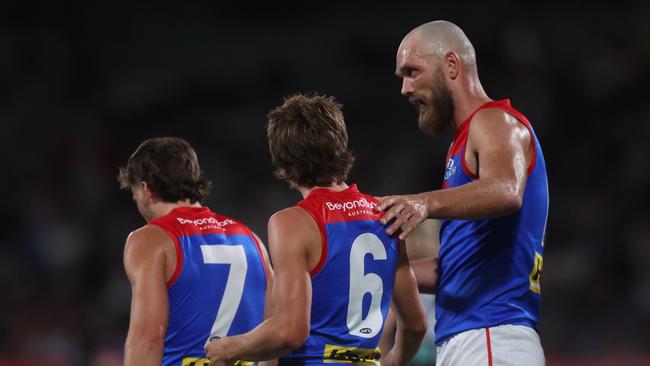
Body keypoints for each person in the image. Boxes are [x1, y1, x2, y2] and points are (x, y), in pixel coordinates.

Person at [205, 94, 427, 366]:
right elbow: (415, 325)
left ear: (283, 162)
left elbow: (290, 332)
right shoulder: (385, 213)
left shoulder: (293, 223)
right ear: (340, 144)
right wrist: (393, 361)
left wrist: (229, 348)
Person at [376, 20, 549, 365]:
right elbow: (455, 270)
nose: (405, 88)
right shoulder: (463, 144)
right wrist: (384, 268)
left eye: (412, 72)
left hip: (489, 335)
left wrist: (424, 203)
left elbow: (508, 190)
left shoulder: (495, 121)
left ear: (451, 65)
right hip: (475, 337)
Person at [118, 137, 272, 366]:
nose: (134, 199)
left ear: (146, 190)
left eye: (134, 192)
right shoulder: (252, 240)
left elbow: (147, 338)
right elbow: (275, 334)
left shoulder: (150, 240)